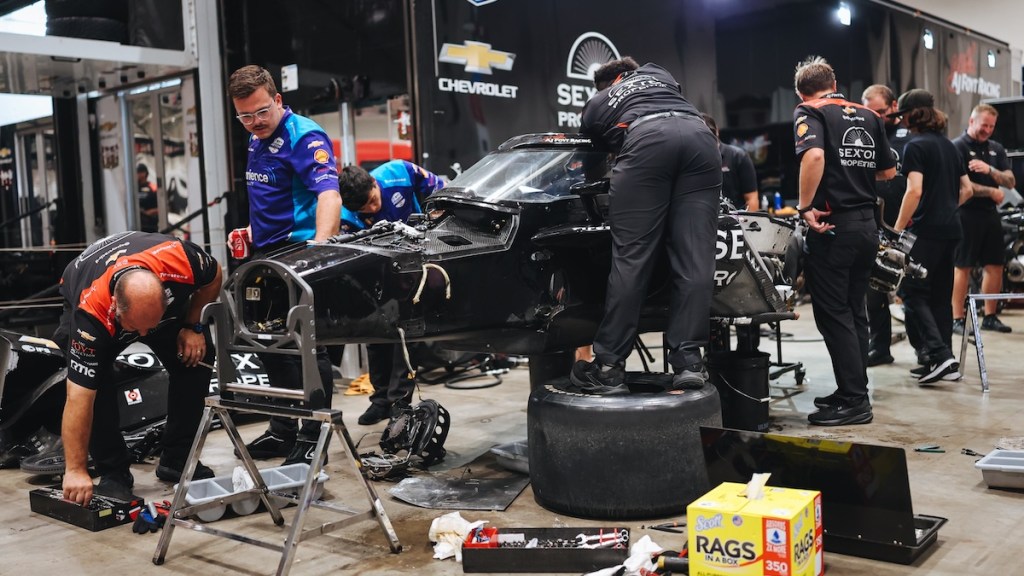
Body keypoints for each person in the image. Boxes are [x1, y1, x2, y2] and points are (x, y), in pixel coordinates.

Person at [571, 57, 721, 394]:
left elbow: (590, 163)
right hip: (700, 139)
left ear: (611, 83)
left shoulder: (597, 103)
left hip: (647, 141)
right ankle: (689, 362)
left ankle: (609, 367)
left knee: (632, 258)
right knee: (697, 259)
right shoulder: (659, 72)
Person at [228, 65, 341, 464]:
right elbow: (276, 198)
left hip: (299, 253)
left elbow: (329, 194)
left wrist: (319, 253)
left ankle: (315, 436)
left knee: (309, 349)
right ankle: (282, 429)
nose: (254, 122)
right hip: (266, 254)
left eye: (261, 111)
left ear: (277, 100)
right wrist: (250, 230)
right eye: (244, 116)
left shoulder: (304, 135)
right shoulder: (256, 139)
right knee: (268, 343)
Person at [57, 231, 222, 505]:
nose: (144, 336)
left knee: (196, 357)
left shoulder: (181, 261)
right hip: (87, 288)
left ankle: (178, 459)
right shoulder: (91, 315)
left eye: (151, 326)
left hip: (146, 304)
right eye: (136, 329)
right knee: (95, 383)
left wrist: (193, 325)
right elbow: (78, 397)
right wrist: (74, 470)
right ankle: (114, 473)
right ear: (116, 307)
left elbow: (214, 275)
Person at [793, 56, 895, 426]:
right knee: (855, 312)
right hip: (868, 227)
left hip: (833, 229)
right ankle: (854, 390)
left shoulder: (810, 111)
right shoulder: (868, 114)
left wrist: (805, 206)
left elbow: (815, 155)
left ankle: (854, 401)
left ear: (801, 91)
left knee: (834, 315)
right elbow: (888, 170)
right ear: (833, 81)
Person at [338, 161, 445, 424]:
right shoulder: (347, 217)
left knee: (406, 336)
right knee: (375, 336)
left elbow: (440, 188)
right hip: (378, 274)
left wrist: (434, 220)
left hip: (414, 266)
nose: (373, 209)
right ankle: (381, 400)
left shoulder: (400, 173)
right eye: (366, 209)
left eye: (373, 200)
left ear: (374, 183)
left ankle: (400, 403)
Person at [891, 89, 973, 384]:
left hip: (924, 231)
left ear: (912, 115)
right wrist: (947, 208)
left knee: (912, 293)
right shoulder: (951, 146)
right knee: (940, 296)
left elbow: (914, 191)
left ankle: (939, 355)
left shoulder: (915, 147)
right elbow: (968, 190)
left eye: (902, 116)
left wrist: (898, 229)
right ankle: (946, 363)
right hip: (952, 230)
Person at [951, 104, 1017, 334]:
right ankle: (957, 318)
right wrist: (990, 191)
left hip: (990, 214)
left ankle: (990, 315)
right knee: (963, 266)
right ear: (971, 121)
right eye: (983, 125)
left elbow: (1010, 181)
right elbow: (959, 185)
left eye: (991, 126)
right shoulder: (957, 147)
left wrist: (989, 169)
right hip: (966, 213)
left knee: (995, 265)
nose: (987, 130)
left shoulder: (996, 149)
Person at [860, 85, 912, 367]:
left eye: (880, 111)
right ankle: (879, 347)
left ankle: (928, 351)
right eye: (870, 112)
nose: (876, 117)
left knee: (914, 291)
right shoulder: (862, 135)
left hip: (909, 222)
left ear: (894, 106)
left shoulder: (909, 137)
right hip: (877, 223)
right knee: (875, 288)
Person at [701, 113, 759, 211]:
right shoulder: (694, 160)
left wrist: (748, 223)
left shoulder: (738, 156)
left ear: (717, 131)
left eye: (710, 133)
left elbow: (751, 198)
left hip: (737, 218)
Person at [137, 164, 159, 233]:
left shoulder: (153, 188)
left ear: (144, 173)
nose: (136, 175)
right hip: (138, 225)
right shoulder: (134, 188)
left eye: (138, 172)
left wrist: (148, 213)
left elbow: (162, 207)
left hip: (150, 224)